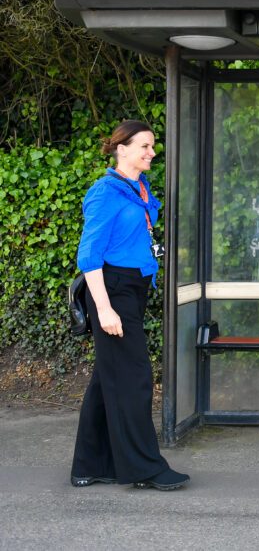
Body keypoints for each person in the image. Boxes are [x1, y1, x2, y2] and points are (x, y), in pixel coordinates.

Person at [70, 120, 190, 491]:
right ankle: (144, 468)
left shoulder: (138, 186)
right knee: (135, 378)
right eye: (145, 146)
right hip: (112, 289)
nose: (152, 152)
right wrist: (103, 309)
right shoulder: (105, 192)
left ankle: (90, 465)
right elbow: (89, 255)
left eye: (152, 146)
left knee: (107, 378)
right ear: (122, 149)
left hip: (132, 288)